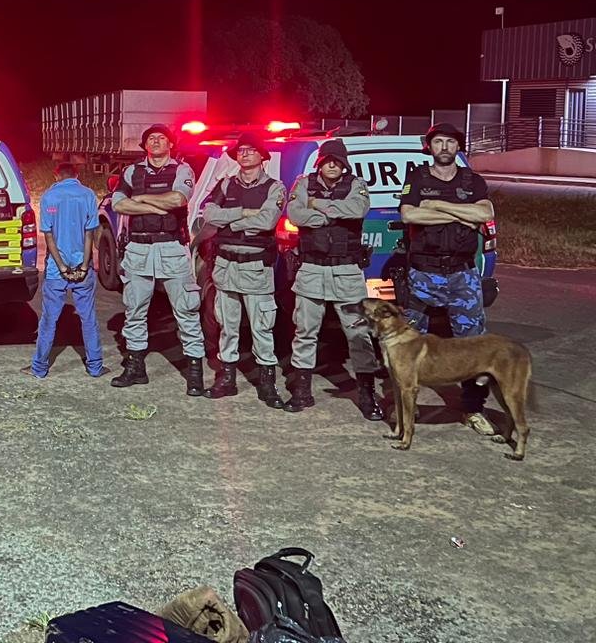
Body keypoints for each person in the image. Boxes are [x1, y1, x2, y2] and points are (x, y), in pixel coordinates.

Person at [399, 123, 496, 435]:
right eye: (438, 141)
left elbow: (485, 214)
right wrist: (462, 213)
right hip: (423, 273)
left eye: (450, 142)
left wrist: (436, 205)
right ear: (430, 147)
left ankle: (473, 409)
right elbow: (409, 215)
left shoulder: (473, 181)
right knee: (407, 345)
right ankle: (406, 408)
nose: (444, 147)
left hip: (462, 275)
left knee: (473, 348)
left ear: (458, 147)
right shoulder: (417, 177)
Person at [283, 138, 383, 420]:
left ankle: (367, 395)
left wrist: (317, 205)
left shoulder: (356, 185)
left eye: (337, 161)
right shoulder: (303, 183)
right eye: (327, 160)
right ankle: (302, 391)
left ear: (344, 165)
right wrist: (329, 216)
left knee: (358, 334)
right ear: (319, 162)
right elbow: (295, 214)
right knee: (305, 332)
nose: (332, 165)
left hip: (347, 271)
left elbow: (357, 210)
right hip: (312, 269)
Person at [109, 124, 204, 392]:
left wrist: (140, 199)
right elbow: (118, 203)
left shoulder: (182, 170)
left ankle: (195, 373)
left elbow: (178, 199)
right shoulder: (132, 171)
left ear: (171, 144)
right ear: (145, 145)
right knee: (134, 311)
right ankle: (136, 368)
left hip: (171, 248)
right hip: (139, 250)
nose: (156, 141)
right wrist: (154, 206)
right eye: (151, 138)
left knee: (186, 310)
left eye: (162, 138)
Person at [201, 132, 287, 406]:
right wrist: (244, 214)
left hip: (256, 269)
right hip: (226, 266)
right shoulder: (226, 184)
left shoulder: (275, 187)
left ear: (262, 156)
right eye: (241, 150)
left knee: (262, 328)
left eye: (251, 150)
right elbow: (208, 214)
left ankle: (267, 384)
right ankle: (226, 379)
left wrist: (230, 222)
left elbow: (267, 221)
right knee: (227, 327)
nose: (245, 154)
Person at [22, 162, 108, 379]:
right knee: (88, 318)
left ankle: (39, 368)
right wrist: (84, 265)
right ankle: (95, 367)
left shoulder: (49, 197)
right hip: (82, 268)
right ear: (76, 175)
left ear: (56, 175)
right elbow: (89, 234)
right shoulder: (88, 195)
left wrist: (61, 266)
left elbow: (49, 237)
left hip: (55, 271)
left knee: (49, 320)